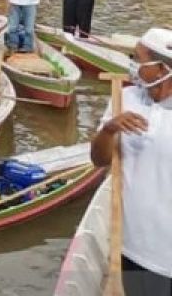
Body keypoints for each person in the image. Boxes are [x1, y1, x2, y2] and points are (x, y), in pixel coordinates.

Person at [90, 26, 172, 294]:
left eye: (139, 59)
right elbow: (99, 160)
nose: (134, 66)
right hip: (134, 247)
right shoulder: (123, 99)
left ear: (161, 69)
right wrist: (109, 129)